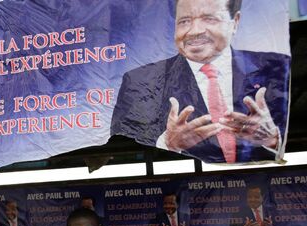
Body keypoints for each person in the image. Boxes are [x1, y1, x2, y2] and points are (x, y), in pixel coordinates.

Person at [111, 0, 289, 164]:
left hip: (260, 181)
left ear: (234, 22)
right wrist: (167, 143)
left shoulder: (274, 69)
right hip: (186, 185)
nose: (194, 31)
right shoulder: (139, 82)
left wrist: (272, 140)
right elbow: (118, 149)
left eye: (209, 19)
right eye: (184, 21)